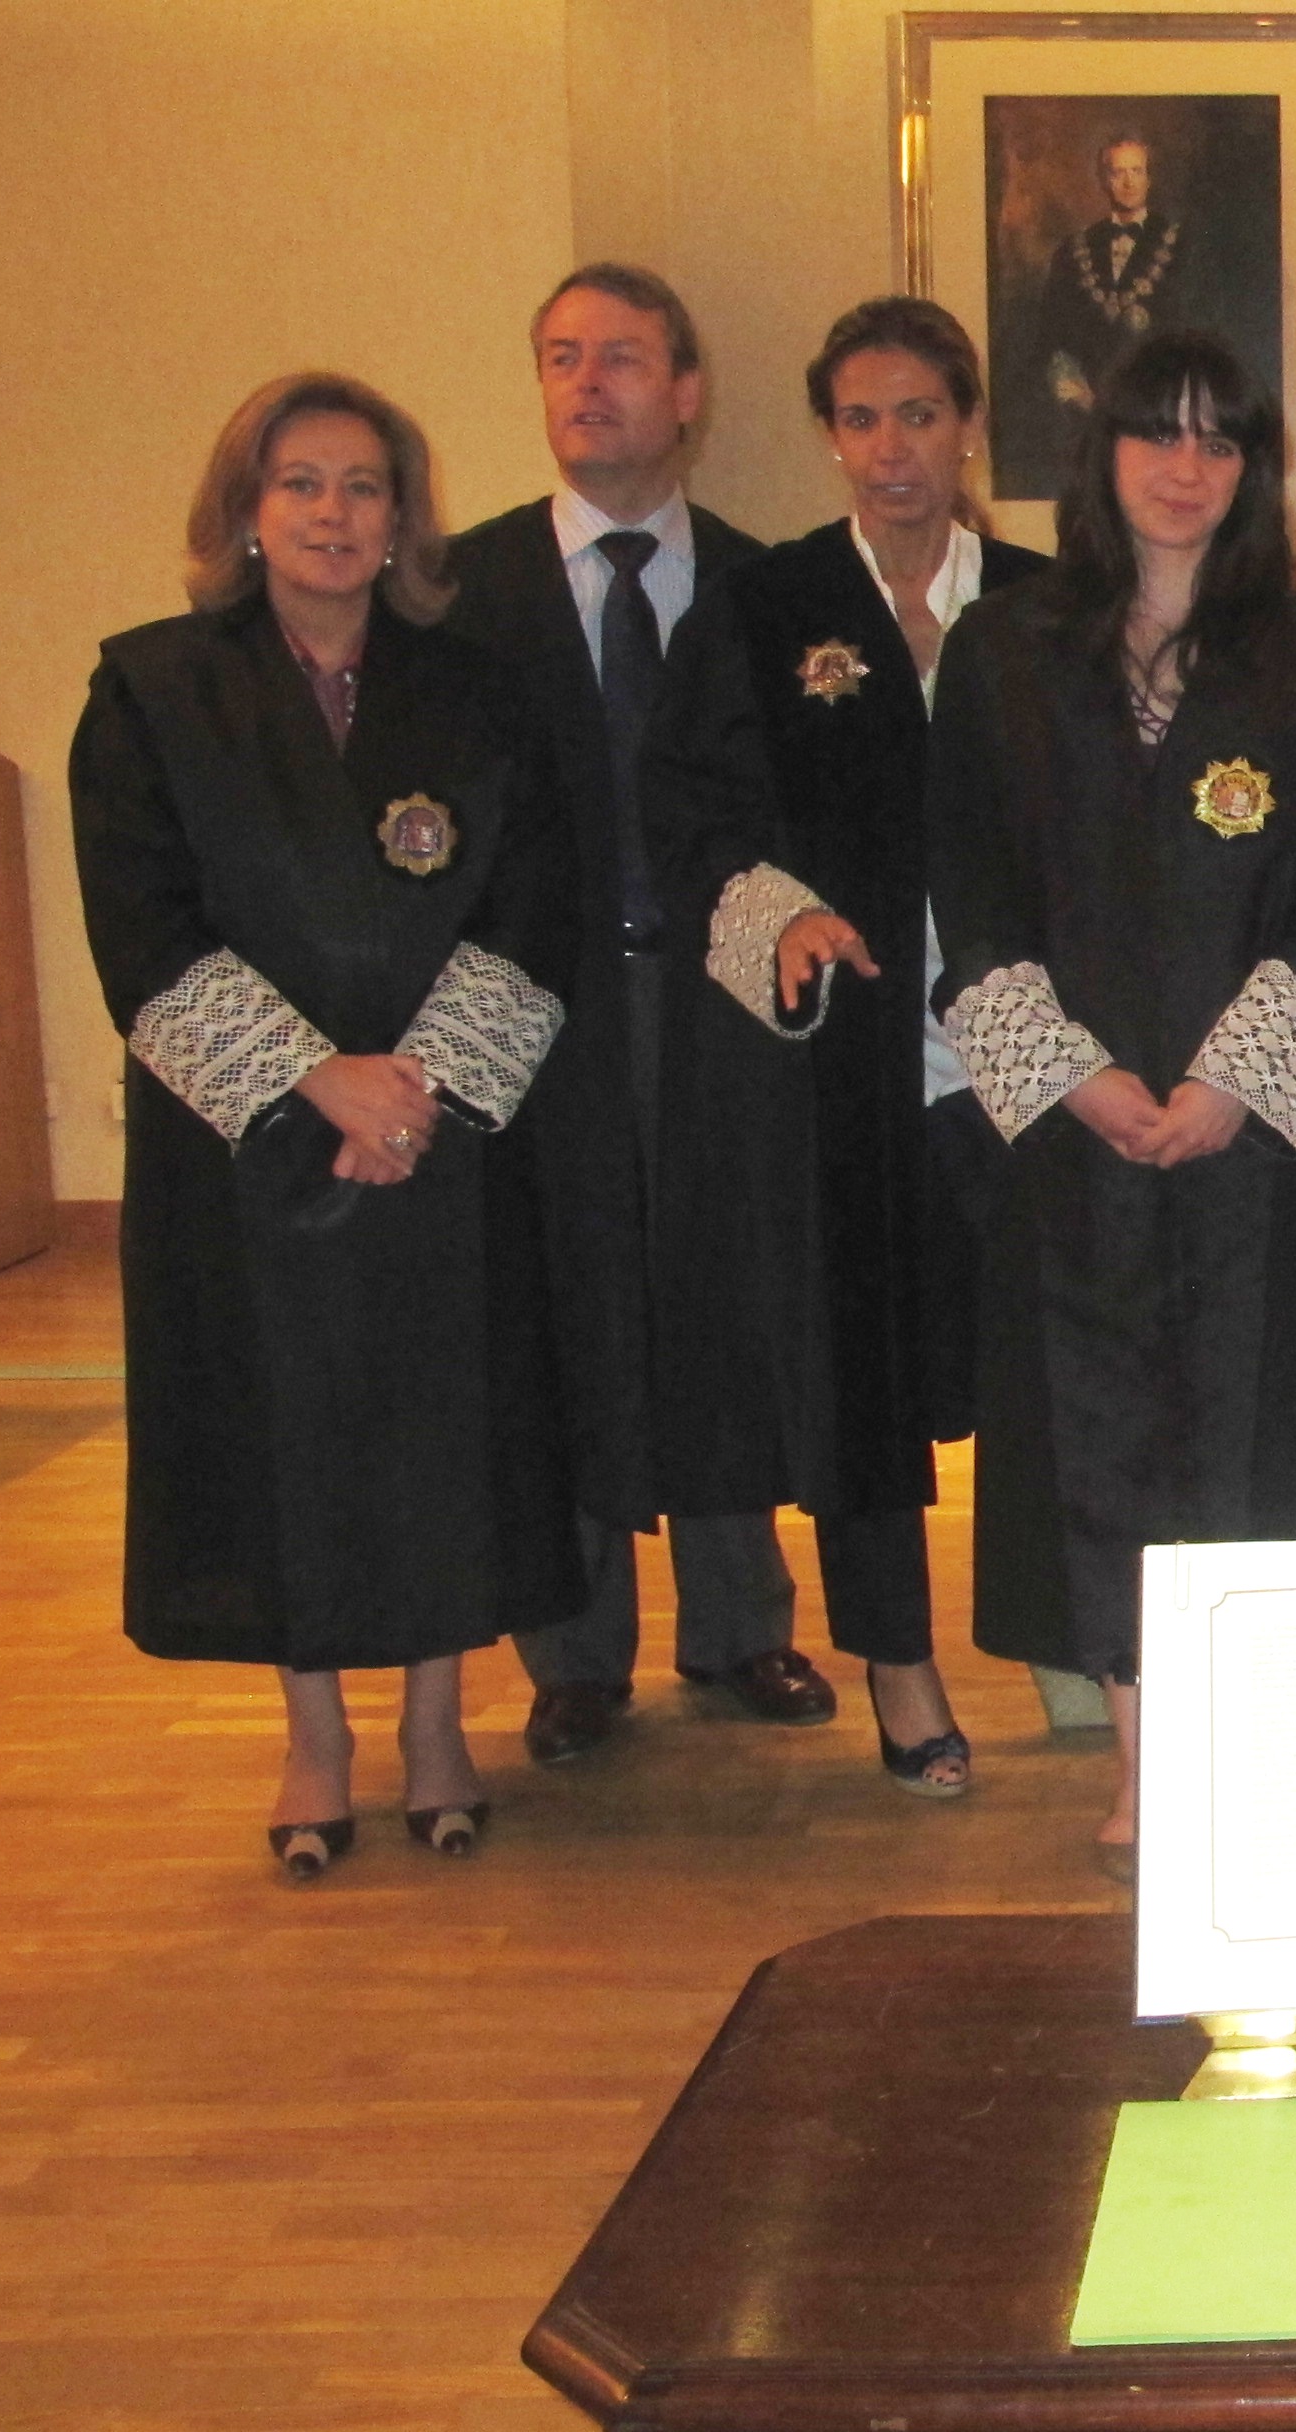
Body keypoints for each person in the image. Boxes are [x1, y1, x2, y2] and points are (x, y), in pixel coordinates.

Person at [68, 373, 580, 1877]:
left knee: (439, 1431)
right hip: (250, 1144)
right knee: (280, 1433)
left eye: (364, 486)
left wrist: (414, 1088)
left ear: (403, 518)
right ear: (245, 508)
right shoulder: (154, 689)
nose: (333, 514)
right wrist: (317, 1079)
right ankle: (314, 1737)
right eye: (300, 483)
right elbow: (142, 927)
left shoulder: (478, 691)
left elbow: (531, 907)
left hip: (438, 1133)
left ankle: (436, 1724)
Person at [928, 326, 1296, 1875]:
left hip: (1258, 1136)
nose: (1187, 468)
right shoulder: (1003, 651)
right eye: (1156, 433)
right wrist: (1081, 1081)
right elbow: (970, 892)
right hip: (1074, 1128)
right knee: (1095, 1432)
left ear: (1252, 468)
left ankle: (1248, 1755)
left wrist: (1233, 1085)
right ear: (1103, 453)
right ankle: (1140, 1766)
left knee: (1261, 1439)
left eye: (1220, 440)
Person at [643, 297, 1047, 1798]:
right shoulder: (763, 608)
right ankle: (899, 1663)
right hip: (849, 1066)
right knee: (863, 1373)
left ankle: (1083, 1638)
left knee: (1049, 1361)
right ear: (829, 436)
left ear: (969, 427)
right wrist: (783, 913)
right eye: (862, 420)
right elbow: (693, 817)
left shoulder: (1046, 603)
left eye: (920, 415)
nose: (892, 450)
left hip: (1027, 1064)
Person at [447, 266, 823, 1762]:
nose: (587, 382)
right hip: (534, 1008)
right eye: (561, 357)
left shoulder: (766, 588)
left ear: (687, 391)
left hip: (719, 1002)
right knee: (566, 1307)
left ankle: (743, 1628)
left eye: (620, 357)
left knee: (722, 1303)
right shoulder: (458, 592)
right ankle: (575, 1650)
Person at [1037, 136, 1186, 440]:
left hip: (1159, 413)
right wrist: (1083, 399)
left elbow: (1187, 333)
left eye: (1136, 171)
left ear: (1149, 178)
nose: (1128, 183)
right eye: (1118, 173)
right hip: (1087, 415)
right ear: (1104, 180)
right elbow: (1053, 336)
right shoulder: (1073, 250)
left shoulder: (1182, 246)